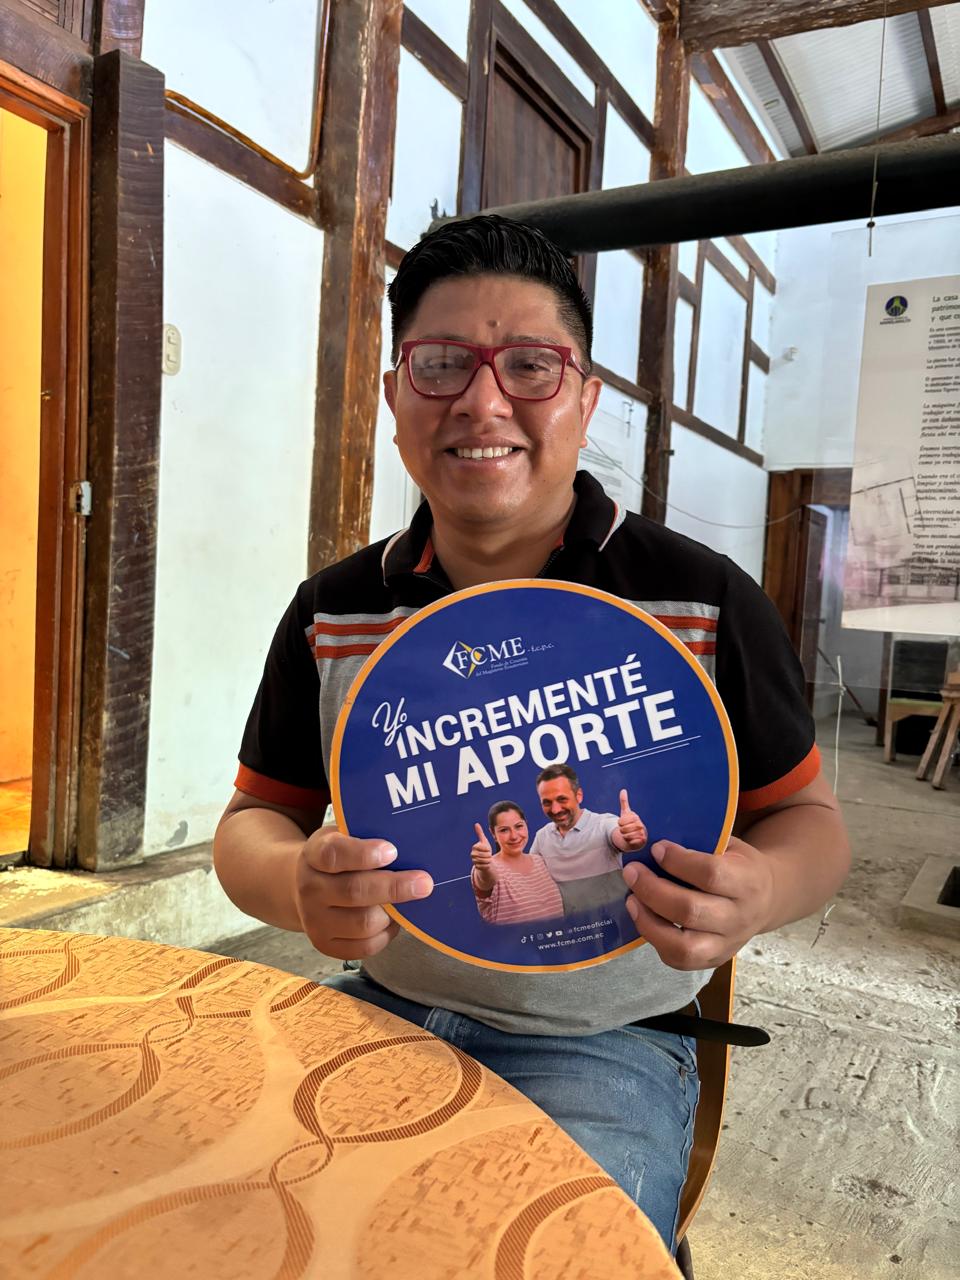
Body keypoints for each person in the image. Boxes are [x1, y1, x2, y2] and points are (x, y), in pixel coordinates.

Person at [213, 214, 850, 1253]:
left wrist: (763, 889)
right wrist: (293, 883)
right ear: (394, 397)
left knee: (553, 1253)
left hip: (606, 1042)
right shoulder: (333, 611)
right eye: (440, 364)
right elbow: (253, 820)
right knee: (246, 1227)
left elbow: (811, 824)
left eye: (529, 366)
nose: (482, 401)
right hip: (377, 1005)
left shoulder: (702, 600)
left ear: (585, 401)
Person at [531, 764, 647, 915]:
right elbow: (529, 878)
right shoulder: (542, 836)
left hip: (617, 923)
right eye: (547, 802)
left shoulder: (603, 823)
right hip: (572, 926)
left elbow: (623, 838)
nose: (555, 809)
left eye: (562, 799)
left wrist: (633, 837)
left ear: (578, 795)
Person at [470, 801, 564, 925]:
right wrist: (484, 866)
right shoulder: (490, 866)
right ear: (493, 834)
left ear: (526, 825)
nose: (514, 836)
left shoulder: (542, 862)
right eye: (504, 830)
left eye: (519, 826)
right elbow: (486, 878)